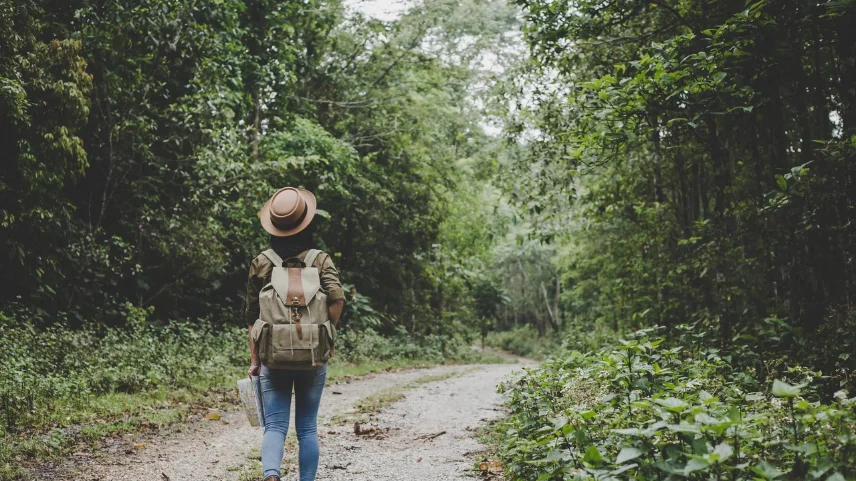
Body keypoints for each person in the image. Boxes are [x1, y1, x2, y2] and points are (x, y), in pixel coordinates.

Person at [244, 187, 346, 481]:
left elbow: (253, 319)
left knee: (275, 426)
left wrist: (255, 360)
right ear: (307, 222)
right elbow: (337, 298)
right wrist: (325, 333)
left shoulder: (262, 261)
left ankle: (272, 475)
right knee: (307, 428)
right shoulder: (320, 259)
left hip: (272, 358)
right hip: (313, 356)